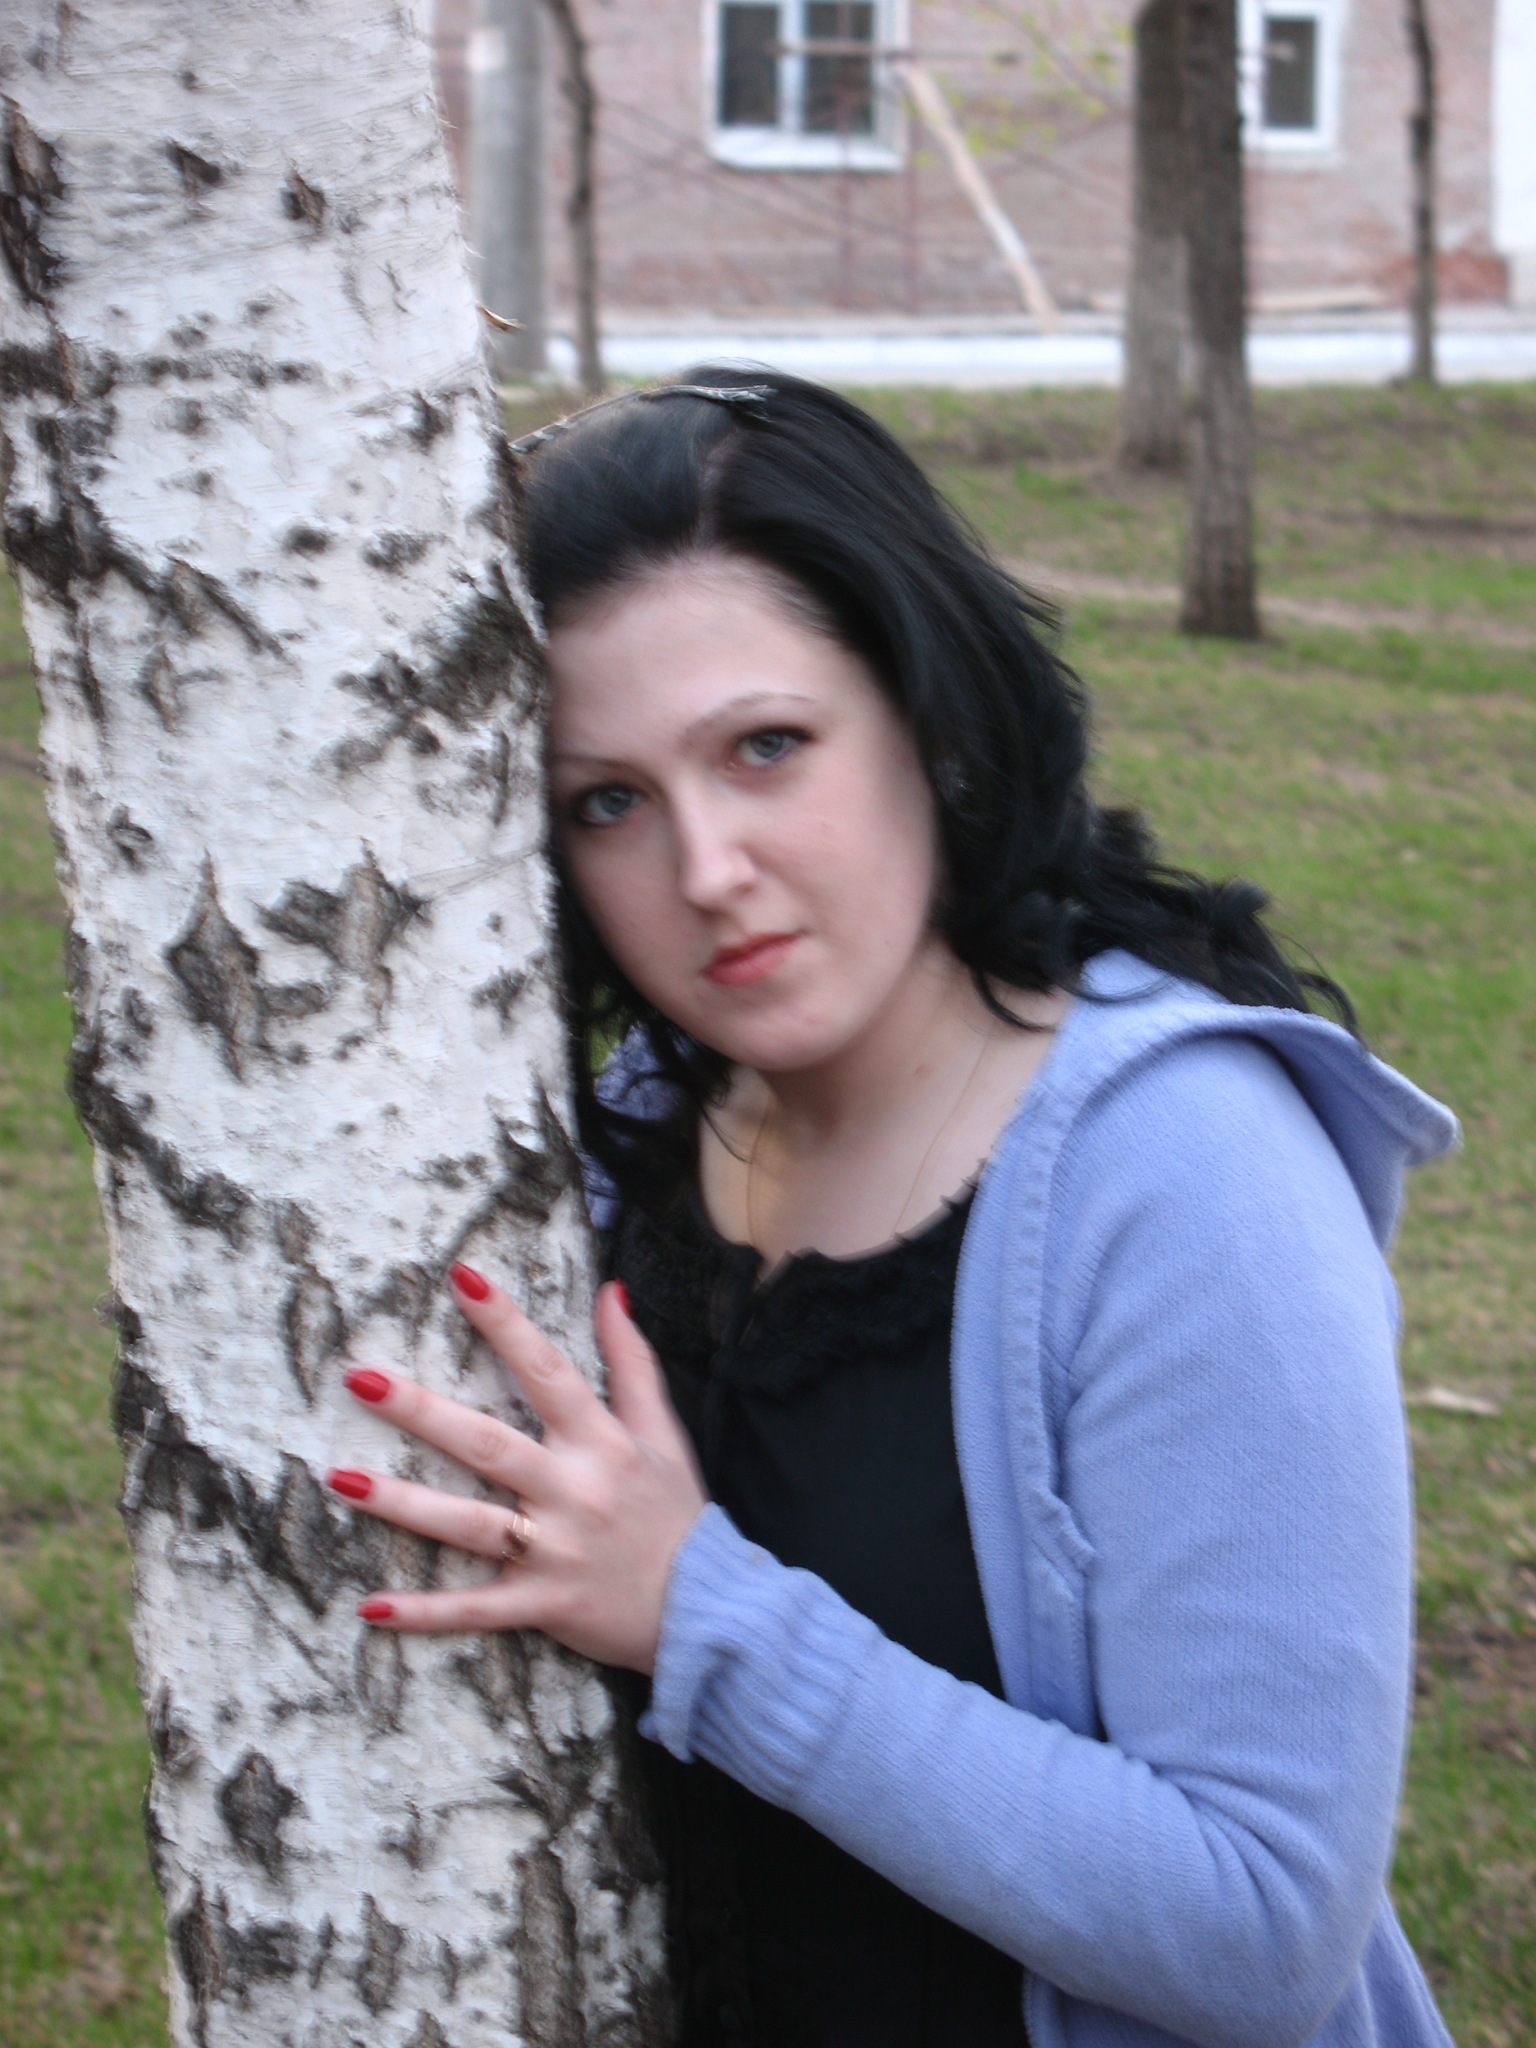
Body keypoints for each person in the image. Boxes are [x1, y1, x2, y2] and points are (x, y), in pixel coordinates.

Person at [323, 372, 1459, 2047]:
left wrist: (701, 1617)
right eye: (609, 801)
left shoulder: (1188, 1170)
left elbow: (1265, 1928)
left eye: (767, 748)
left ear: (933, 720)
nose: (707, 870)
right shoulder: (637, 1124)